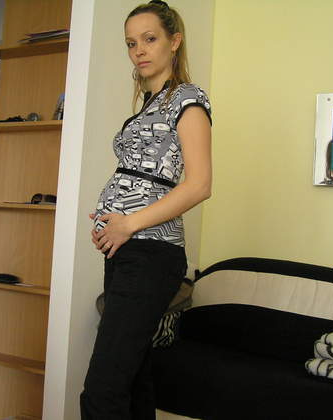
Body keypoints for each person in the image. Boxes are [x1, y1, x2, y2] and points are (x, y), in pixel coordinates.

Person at [80, 1, 212, 419]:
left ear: (174, 41)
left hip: (152, 251)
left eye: (150, 39)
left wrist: (128, 224)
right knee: (134, 377)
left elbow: (200, 184)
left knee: (102, 388)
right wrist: (112, 226)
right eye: (131, 43)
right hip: (126, 249)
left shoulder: (187, 98)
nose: (139, 50)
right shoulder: (151, 104)